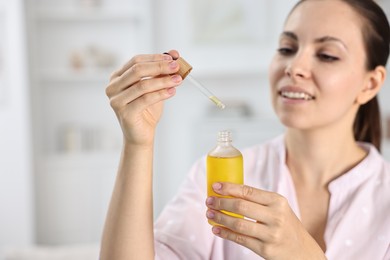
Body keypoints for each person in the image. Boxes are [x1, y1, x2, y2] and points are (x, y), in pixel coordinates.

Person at [100, 0, 390, 259]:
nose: (294, 66)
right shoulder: (218, 172)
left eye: (327, 55)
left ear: (371, 84)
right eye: (287, 49)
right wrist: (138, 144)